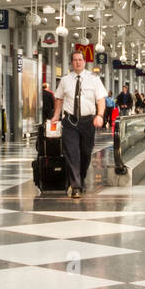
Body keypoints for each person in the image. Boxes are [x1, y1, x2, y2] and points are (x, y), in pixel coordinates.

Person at [51, 48, 108, 199]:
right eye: (75, 60)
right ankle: (75, 186)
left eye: (80, 60)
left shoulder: (94, 79)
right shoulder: (65, 80)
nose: (77, 62)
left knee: (85, 153)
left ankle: (80, 179)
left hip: (88, 121)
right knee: (72, 153)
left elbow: (100, 99)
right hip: (70, 121)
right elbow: (59, 98)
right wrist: (56, 116)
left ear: (84, 62)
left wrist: (100, 115)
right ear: (71, 63)